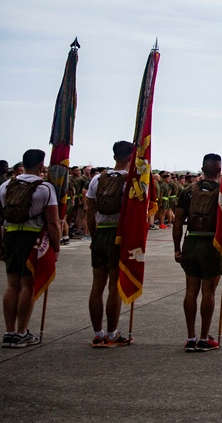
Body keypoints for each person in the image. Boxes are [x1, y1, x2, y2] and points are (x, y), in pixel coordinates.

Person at [0, 148, 61, 348]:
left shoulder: (5, 186)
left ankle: (9, 332)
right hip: (32, 238)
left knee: (12, 284)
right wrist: (55, 248)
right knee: (27, 286)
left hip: (11, 235)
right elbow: (53, 222)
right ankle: (22, 332)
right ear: (41, 165)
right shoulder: (45, 188)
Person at [173, 154, 222, 352]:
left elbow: (178, 223)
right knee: (208, 292)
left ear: (202, 169)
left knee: (190, 291)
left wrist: (177, 249)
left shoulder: (187, 191)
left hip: (192, 241)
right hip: (212, 244)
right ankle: (204, 337)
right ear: (219, 171)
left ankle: (190, 337)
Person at [85, 141, 134, 347]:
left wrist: (94, 235)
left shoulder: (97, 179)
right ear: (131, 158)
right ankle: (112, 333)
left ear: (115, 156)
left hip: (100, 233)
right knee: (115, 285)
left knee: (97, 285)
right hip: (119, 234)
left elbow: (89, 211)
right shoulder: (131, 181)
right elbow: (134, 215)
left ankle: (98, 333)